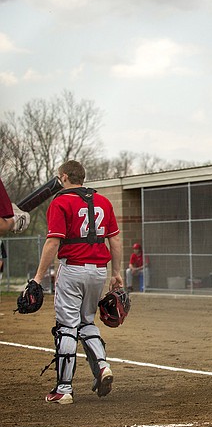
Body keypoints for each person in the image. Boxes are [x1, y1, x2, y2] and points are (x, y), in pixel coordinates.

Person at [31, 160, 123, 404]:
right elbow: (114, 240)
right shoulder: (103, 201)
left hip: (73, 270)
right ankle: (102, 366)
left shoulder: (60, 201)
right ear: (82, 177)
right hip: (98, 272)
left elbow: (53, 242)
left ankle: (64, 389)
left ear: (64, 177)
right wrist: (117, 273)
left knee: (67, 327)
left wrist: (38, 277)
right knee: (87, 321)